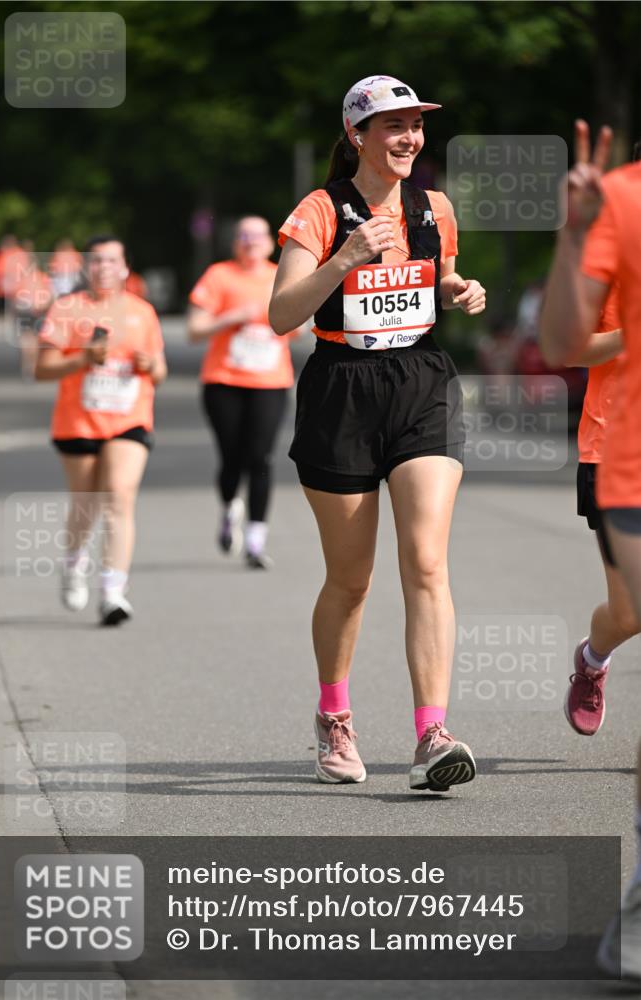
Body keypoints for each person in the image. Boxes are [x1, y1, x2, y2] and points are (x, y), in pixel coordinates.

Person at [269, 75, 486, 789]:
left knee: (426, 561)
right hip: (342, 390)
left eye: (415, 125)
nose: (408, 138)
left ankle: (432, 732)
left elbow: (439, 272)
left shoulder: (434, 206)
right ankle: (334, 718)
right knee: (351, 580)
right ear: (356, 134)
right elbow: (280, 315)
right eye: (392, 125)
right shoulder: (319, 211)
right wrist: (345, 258)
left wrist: (457, 287)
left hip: (421, 382)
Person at [539, 122, 641, 983]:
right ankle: (593, 653)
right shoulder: (623, 208)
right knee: (634, 613)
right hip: (618, 450)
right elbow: (573, 345)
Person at [35, 235, 167, 625]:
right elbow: (42, 369)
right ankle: (74, 563)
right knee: (86, 503)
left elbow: (159, 372)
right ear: (85, 268)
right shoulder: (66, 309)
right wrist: (81, 360)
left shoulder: (142, 312)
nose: (103, 268)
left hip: (129, 419)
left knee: (119, 497)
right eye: (96, 261)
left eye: (112, 261)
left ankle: (113, 591)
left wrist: (148, 366)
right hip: (78, 420)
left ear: (125, 268)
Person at [188, 216, 296, 568]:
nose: (250, 241)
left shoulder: (282, 274)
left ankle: (255, 540)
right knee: (232, 457)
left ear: (270, 241)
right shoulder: (220, 275)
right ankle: (229, 506)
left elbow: (299, 323)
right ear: (235, 242)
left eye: (257, 235)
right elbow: (194, 329)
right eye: (243, 235)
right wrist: (234, 316)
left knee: (261, 458)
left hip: (270, 382)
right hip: (224, 381)